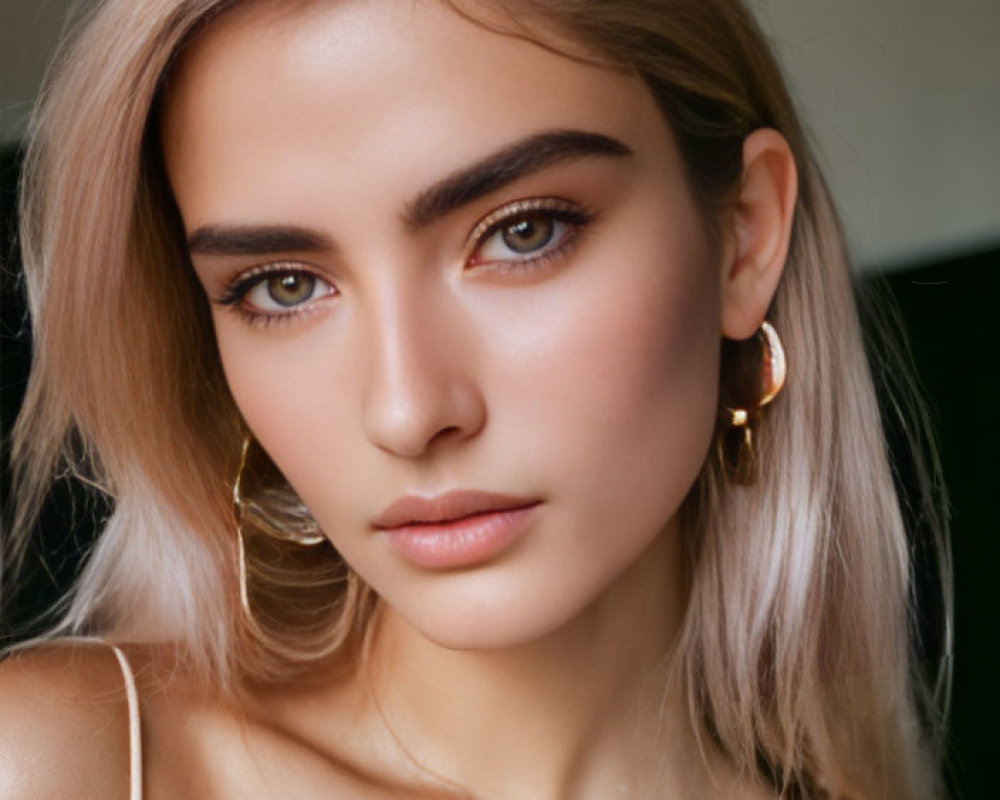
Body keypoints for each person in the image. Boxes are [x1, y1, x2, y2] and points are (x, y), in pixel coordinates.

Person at [0, 0, 951, 797]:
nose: (409, 412)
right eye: (283, 285)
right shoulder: (66, 762)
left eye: (522, 232)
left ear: (743, 238)